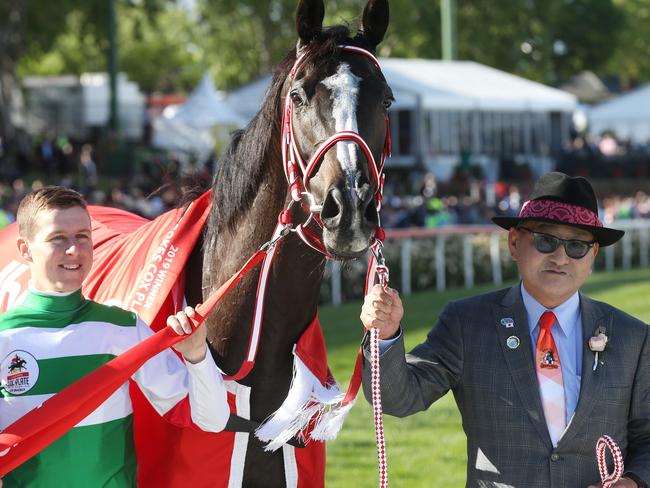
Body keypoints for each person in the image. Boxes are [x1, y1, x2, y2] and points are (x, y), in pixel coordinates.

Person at [361, 172, 650, 487]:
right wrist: (387, 335)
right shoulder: (466, 323)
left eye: (577, 246)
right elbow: (397, 398)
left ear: (593, 256)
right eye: (546, 240)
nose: (560, 257)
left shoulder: (633, 337)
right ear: (515, 243)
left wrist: (634, 481)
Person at [0, 186, 230, 487]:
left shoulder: (123, 327)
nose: (74, 249)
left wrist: (197, 355)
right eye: (58, 238)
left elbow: (211, 419)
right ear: (25, 249)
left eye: (83, 235)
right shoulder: (6, 337)